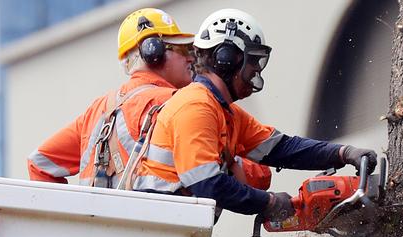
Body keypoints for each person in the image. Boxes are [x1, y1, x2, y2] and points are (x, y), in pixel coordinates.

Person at [133, 8, 377, 222]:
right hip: (159, 227)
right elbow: (207, 184)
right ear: (225, 59)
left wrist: (342, 153)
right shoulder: (195, 107)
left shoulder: (225, 111)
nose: (255, 72)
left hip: (174, 225)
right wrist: (268, 203)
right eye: (253, 62)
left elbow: (282, 148)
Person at [27, 8, 197, 187]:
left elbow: (39, 164)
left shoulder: (97, 111)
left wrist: (68, 213)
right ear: (153, 52)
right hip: (153, 216)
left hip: (91, 215)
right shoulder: (178, 103)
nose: (191, 59)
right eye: (184, 50)